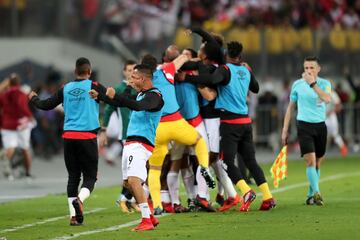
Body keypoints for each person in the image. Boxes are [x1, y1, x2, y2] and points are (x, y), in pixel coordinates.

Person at [183, 41, 275, 211]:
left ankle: (246, 192)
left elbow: (212, 79)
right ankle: (268, 197)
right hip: (246, 122)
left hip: (230, 123)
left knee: (226, 161)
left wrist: (188, 77)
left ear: (226, 55)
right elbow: (255, 88)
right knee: (251, 161)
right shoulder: (246, 70)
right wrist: (247, 72)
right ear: (240, 56)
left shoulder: (225, 70)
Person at [29, 57, 107, 226]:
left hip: (69, 137)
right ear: (90, 71)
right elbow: (111, 98)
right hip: (87, 137)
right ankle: (80, 199)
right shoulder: (94, 86)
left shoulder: (65, 88)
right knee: (90, 177)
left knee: (73, 177)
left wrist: (33, 98)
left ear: (74, 72)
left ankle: (73, 217)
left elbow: (46, 105)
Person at [90, 63, 164, 231]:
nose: (131, 80)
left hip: (141, 143)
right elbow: (124, 101)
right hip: (131, 142)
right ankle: (150, 217)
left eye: (135, 77)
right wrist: (101, 96)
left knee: (133, 180)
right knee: (128, 183)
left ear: (144, 79)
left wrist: (115, 95)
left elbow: (137, 106)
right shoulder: (139, 95)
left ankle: (146, 219)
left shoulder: (155, 96)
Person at [143, 48, 215, 215]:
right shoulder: (167, 70)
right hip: (176, 122)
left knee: (154, 169)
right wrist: (196, 59)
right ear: (157, 65)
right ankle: (204, 167)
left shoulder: (142, 82)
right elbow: (183, 58)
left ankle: (158, 205)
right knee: (199, 142)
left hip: (158, 128)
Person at [282, 56, 331, 206]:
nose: (308, 71)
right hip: (304, 126)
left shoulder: (324, 83)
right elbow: (290, 108)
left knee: (317, 164)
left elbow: (327, 98)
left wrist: (313, 84)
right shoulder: (297, 84)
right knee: (310, 161)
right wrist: (284, 129)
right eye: (306, 68)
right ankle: (317, 193)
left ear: (318, 69)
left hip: (320, 126)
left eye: (312, 68)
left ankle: (310, 194)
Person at [100, 59, 139, 213]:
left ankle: (131, 199)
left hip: (141, 133)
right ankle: (124, 199)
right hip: (127, 135)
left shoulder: (140, 87)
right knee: (133, 170)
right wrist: (103, 130)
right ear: (124, 71)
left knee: (137, 170)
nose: (131, 73)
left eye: (134, 70)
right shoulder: (119, 88)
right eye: (129, 70)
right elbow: (109, 109)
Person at [0, 74, 35, 181]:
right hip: (21, 124)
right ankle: (28, 173)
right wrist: (30, 116)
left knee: (10, 147)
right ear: (19, 82)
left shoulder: (4, 94)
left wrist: (3, 85)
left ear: (9, 83)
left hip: (7, 124)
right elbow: (22, 106)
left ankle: (6, 162)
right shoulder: (21, 93)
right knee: (25, 148)